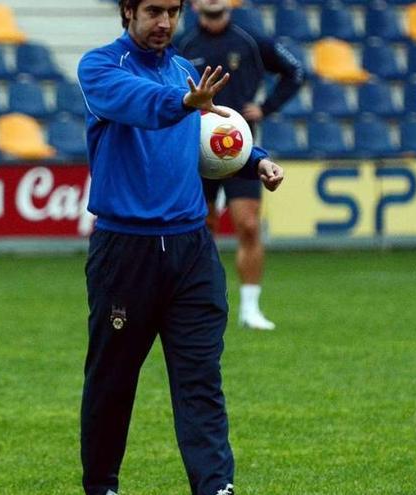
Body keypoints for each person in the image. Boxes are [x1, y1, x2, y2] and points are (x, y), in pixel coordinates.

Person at [77, 0, 284, 493]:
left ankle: (216, 487)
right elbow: (143, 106)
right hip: (126, 251)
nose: (165, 22)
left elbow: (212, 131)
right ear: (128, 11)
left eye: (172, 11)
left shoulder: (185, 69)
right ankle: (102, 485)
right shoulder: (101, 67)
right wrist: (185, 104)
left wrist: (255, 159)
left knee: (200, 380)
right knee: (113, 381)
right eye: (153, 11)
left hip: (192, 249)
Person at [176, 0, 304, 330]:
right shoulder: (183, 45)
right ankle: (201, 302)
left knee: (247, 225)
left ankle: (250, 309)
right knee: (200, 230)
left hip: (242, 152)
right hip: (196, 152)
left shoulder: (251, 40)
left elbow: (296, 71)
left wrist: (266, 106)